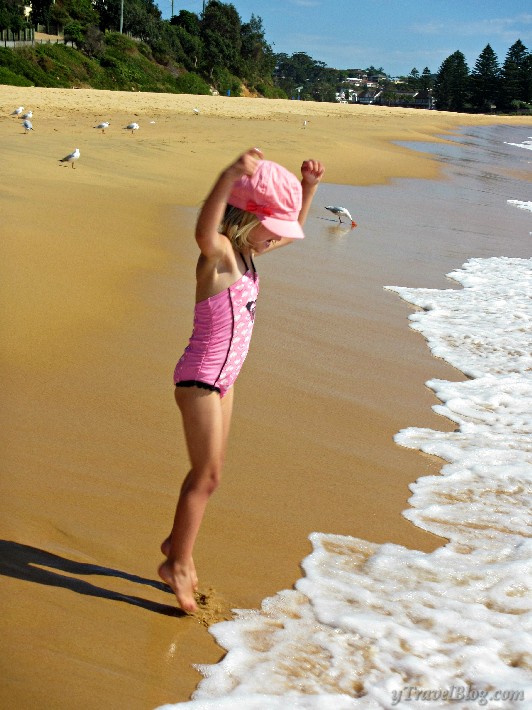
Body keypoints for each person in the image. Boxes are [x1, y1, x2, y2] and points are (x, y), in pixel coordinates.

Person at [158, 147, 325, 612]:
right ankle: (178, 565)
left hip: (223, 383)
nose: (277, 240)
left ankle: (177, 545)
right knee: (205, 477)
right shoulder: (223, 257)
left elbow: (291, 235)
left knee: (214, 474)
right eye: (272, 230)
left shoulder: (252, 256)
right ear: (248, 219)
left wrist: (307, 190)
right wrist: (227, 174)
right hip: (200, 381)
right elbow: (204, 230)